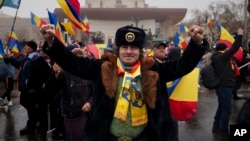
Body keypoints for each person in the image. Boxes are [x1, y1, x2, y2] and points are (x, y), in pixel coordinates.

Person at [40, 24, 208, 141]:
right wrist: (51, 42)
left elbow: (182, 66)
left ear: (140, 51)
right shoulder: (103, 68)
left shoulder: (154, 69)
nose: (129, 52)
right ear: (118, 50)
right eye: (124, 48)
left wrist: (197, 43)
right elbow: (72, 63)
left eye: (134, 48)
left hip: (146, 137)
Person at [45, 45, 95, 141]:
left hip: (85, 116)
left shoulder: (89, 73)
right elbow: (51, 89)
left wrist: (90, 102)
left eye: (81, 56)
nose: (78, 59)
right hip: (69, 117)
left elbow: (95, 93)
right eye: (76, 56)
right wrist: (56, 74)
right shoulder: (64, 72)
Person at [211, 28, 243, 138]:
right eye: (226, 48)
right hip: (225, 86)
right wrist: (239, 36)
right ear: (224, 50)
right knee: (227, 109)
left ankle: (216, 126)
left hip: (222, 85)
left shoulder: (217, 57)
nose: (228, 49)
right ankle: (224, 131)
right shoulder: (222, 57)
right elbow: (235, 48)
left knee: (221, 107)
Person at [5, 40, 39, 135]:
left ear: (31, 48)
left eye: (27, 46)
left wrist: (31, 84)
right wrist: (10, 57)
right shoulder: (27, 58)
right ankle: (35, 118)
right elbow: (18, 64)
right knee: (24, 102)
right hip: (25, 87)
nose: (25, 47)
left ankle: (31, 124)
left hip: (31, 88)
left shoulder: (35, 58)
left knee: (29, 104)